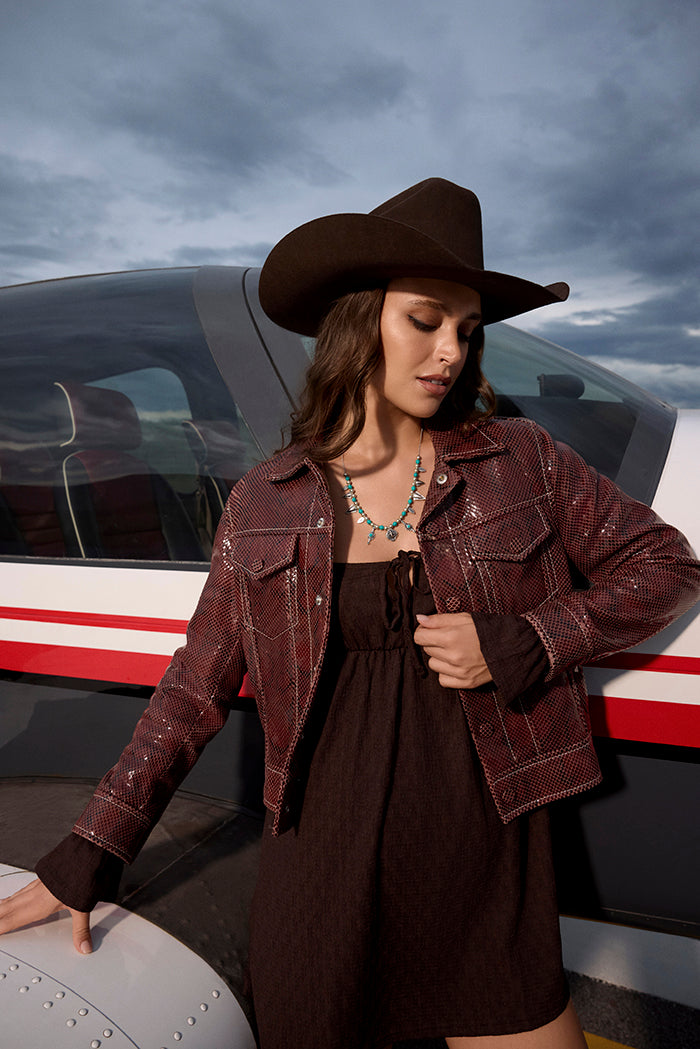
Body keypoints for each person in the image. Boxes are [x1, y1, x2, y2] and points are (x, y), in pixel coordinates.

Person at [1, 178, 699, 1049]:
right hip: (320, 866)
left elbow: (666, 563)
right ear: (359, 319)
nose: (450, 350)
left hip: (485, 860)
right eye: (425, 319)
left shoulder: (518, 458)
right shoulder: (265, 498)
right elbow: (192, 690)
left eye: (467, 330)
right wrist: (90, 853)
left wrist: (528, 639)